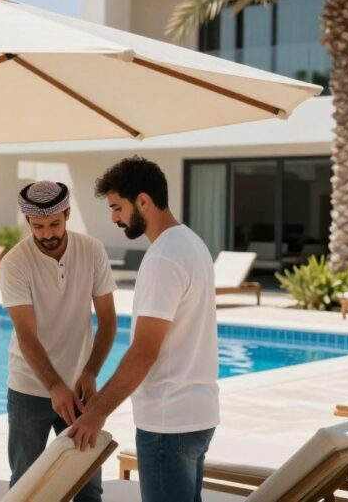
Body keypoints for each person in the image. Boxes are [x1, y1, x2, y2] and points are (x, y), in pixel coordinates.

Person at [69, 156, 219, 502]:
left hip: (168, 424)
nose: (114, 218)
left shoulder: (163, 258)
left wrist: (96, 414)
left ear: (143, 201)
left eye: (117, 207)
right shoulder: (194, 244)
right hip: (198, 416)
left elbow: (144, 350)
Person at [0, 180, 117, 500]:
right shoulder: (14, 263)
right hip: (29, 388)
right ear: (28, 222)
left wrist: (90, 372)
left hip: (80, 390)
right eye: (38, 226)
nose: (47, 234)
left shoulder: (92, 250)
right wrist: (54, 386)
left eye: (54, 223)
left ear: (67, 214)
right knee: (27, 484)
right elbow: (26, 335)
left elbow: (108, 322)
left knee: (87, 483)